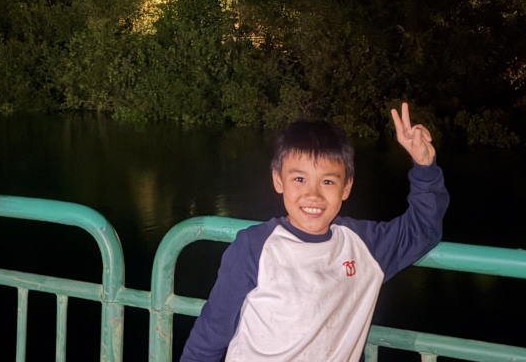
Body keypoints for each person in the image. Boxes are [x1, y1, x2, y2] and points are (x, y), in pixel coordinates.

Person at [179, 103, 449, 362]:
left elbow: (423, 229)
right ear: (278, 180)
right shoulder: (253, 247)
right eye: (299, 179)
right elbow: (210, 334)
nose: (313, 194)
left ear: (346, 187)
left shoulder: (365, 246)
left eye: (328, 181)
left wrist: (425, 165)